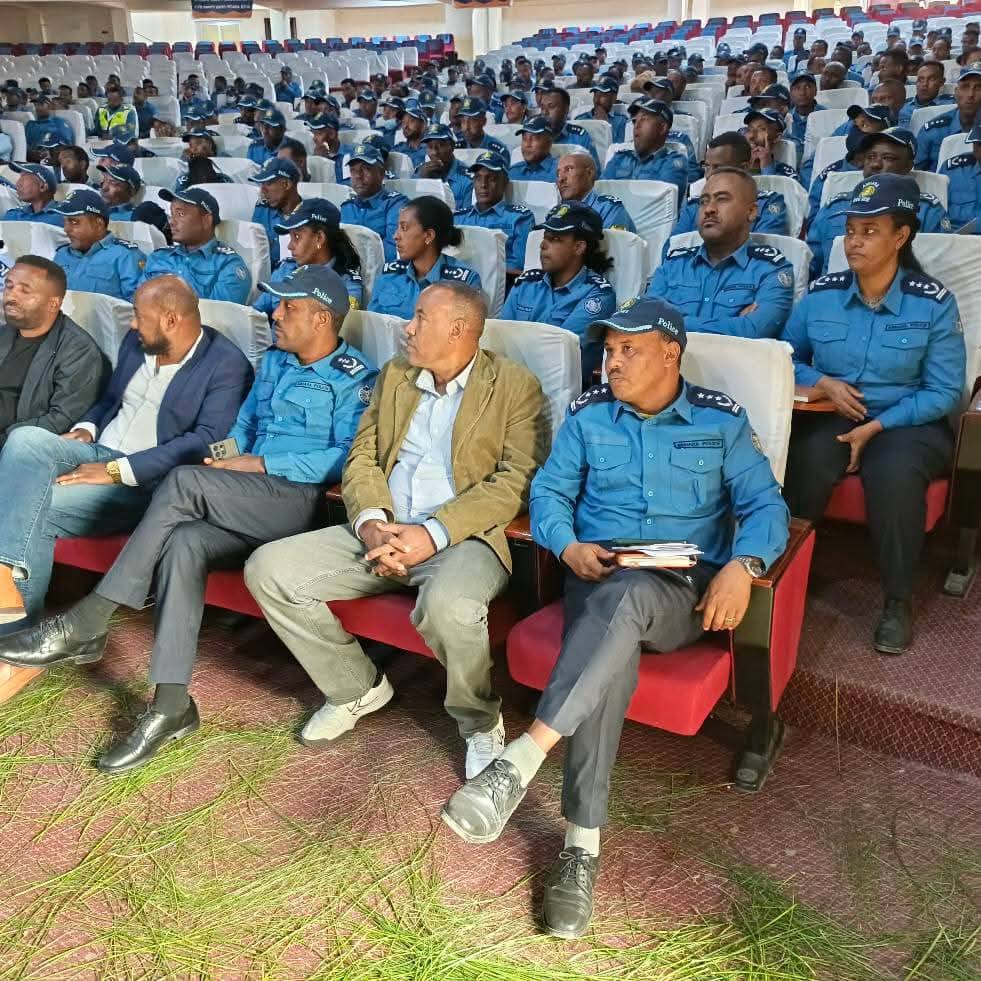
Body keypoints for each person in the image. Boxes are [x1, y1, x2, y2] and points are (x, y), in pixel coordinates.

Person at [440, 296, 790, 939]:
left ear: (671, 354)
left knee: (625, 606)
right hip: (597, 577)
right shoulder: (589, 414)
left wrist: (744, 566)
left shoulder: (720, 420)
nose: (613, 362)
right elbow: (550, 492)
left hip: (681, 591)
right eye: (608, 349)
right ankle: (580, 846)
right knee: (612, 635)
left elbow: (766, 505)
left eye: (630, 349)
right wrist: (567, 545)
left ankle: (522, 762)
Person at [2, 267, 376, 771]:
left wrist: (260, 464)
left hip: (297, 502)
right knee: (183, 543)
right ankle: (171, 705)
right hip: (241, 493)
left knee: (181, 481)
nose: (275, 314)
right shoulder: (274, 361)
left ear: (322, 318)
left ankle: (88, 620)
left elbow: (347, 458)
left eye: (288, 306)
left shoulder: (356, 378)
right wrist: (223, 461)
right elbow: (242, 428)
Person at [245, 281, 548, 778]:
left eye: (421, 317)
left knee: (449, 606)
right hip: (383, 527)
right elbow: (362, 456)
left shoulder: (514, 385)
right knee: (268, 569)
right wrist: (372, 524)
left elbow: (517, 481)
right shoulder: (396, 375)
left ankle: (478, 721)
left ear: (458, 330)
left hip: (462, 539)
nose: (407, 327)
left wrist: (432, 533)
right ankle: (355, 688)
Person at [0, 276, 252, 629]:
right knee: (25, 439)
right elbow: (109, 399)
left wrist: (116, 470)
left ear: (171, 320)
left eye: (139, 317)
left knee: (31, 502)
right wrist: (87, 427)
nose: (132, 325)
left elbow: (205, 441)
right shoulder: (138, 342)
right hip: (96, 451)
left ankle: (12, 623)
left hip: (144, 482)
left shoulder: (226, 364)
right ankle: (7, 592)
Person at [782, 174, 966, 654]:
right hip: (834, 411)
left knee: (894, 471)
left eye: (869, 231)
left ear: (901, 236)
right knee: (807, 456)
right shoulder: (822, 294)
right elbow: (785, 356)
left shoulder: (932, 304)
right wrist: (822, 382)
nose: (853, 242)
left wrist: (879, 426)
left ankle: (897, 600)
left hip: (909, 421)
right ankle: (786, 574)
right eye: (850, 231)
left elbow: (944, 391)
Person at [647, 169, 794, 339]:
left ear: (751, 211)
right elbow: (646, 320)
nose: (709, 209)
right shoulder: (673, 265)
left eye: (722, 199)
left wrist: (671, 323)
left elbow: (753, 331)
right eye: (703, 201)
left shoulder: (771, 270)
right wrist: (735, 324)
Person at [807, 129, 952, 276]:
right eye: (870, 157)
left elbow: (939, 270)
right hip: (835, 288)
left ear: (908, 165)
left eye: (888, 158)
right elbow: (812, 268)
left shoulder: (929, 211)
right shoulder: (834, 207)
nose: (875, 164)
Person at [0, 256, 106, 454]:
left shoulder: (78, 351)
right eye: (9, 286)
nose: (10, 296)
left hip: (17, 445)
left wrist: (5, 440)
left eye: (25, 290)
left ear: (53, 303)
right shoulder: (5, 332)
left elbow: (61, 418)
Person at [502, 203, 616, 384]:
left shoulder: (597, 295)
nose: (542, 245)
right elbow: (500, 340)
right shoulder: (526, 284)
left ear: (579, 247)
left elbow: (561, 357)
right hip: (509, 380)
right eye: (544, 238)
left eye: (554, 239)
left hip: (558, 388)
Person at [369, 196, 481, 319]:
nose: (395, 236)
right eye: (397, 228)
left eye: (404, 228)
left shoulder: (463, 283)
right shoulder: (390, 273)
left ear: (428, 236)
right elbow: (372, 323)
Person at [253, 198, 363, 319]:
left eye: (297, 236)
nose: (289, 246)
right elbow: (255, 315)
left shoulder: (346, 285)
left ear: (319, 238)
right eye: (290, 237)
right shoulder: (284, 270)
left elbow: (336, 327)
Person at [142, 188, 251, 305]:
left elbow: (219, 314)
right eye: (171, 215)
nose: (171, 222)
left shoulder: (228, 265)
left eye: (180, 214)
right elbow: (138, 302)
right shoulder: (158, 257)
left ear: (206, 221)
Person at [672, 134, 788, 237]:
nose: (708, 175)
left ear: (744, 168)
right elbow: (673, 247)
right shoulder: (695, 205)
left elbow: (764, 248)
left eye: (718, 167)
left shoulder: (767, 204)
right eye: (707, 166)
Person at [454, 150, 534, 281]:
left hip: (502, 284)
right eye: (478, 178)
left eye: (491, 178)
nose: (483, 185)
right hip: (459, 281)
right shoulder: (458, 218)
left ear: (505, 182)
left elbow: (518, 266)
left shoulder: (519, 218)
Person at [52, 190, 145, 302]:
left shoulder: (126, 256)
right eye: (65, 222)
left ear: (99, 224)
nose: (66, 229)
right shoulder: (61, 254)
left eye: (74, 222)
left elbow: (139, 305)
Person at [602, 98, 688, 201]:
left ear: (662, 128)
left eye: (644, 119)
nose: (636, 126)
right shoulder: (619, 158)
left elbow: (658, 204)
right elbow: (599, 196)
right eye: (634, 121)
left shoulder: (673, 163)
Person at [339, 143, 409, 263]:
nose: (358, 176)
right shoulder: (347, 207)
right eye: (353, 170)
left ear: (381, 174)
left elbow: (394, 249)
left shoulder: (396, 204)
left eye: (366, 169)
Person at [915, 67, 981, 171]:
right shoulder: (933, 130)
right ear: (956, 93)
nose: (970, 94)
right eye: (965, 87)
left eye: (979, 88)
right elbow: (918, 173)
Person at [555, 153, 635, 233]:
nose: (560, 179)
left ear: (589, 174)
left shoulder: (609, 208)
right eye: (558, 174)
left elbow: (613, 241)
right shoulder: (557, 208)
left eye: (569, 169)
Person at [249, 157, 303, 268]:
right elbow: (254, 254)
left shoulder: (309, 216)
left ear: (286, 184)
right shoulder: (262, 211)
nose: (262, 190)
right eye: (261, 184)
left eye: (268, 183)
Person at [536, 83, 599, 167]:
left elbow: (593, 170)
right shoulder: (534, 136)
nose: (544, 112)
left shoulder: (580, 137)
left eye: (551, 107)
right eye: (542, 108)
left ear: (566, 109)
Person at [416, 125, 473, 208]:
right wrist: (423, 181)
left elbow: (468, 214)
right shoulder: (420, 172)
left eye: (440, 145)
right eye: (430, 147)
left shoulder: (467, 178)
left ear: (452, 146)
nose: (435, 152)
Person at [938, 120, 980, 228]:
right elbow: (937, 214)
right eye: (979, 144)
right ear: (974, 146)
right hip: (957, 235)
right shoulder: (950, 170)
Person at [743, 108, 798, 179]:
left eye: (762, 129)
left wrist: (766, 166)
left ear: (777, 137)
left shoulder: (786, 173)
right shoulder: (735, 164)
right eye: (749, 129)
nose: (751, 136)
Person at [899, 62, 954, 128]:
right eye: (921, 79)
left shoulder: (952, 104)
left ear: (941, 82)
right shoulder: (904, 107)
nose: (925, 84)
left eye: (931, 79)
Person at [575, 76, 627, 143]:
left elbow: (618, 147)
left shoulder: (621, 121)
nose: (597, 100)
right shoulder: (580, 119)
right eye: (596, 95)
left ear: (614, 98)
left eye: (602, 95)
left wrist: (605, 125)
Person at [509, 116, 559, 183]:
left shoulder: (560, 172)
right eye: (524, 139)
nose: (527, 144)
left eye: (534, 138)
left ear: (549, 142)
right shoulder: (513, 173)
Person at [25, 95, 74, 160]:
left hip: (52, 158)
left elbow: (66, 145)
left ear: (49, 106)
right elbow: (25, 144)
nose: (37, 108)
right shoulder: (30, 124)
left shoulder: (59, 122)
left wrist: (50, 153)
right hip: (30, 158)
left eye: (41, 105)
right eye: (35, 105)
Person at [391, 100, 429, 168]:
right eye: (403, 122)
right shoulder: (397, 150)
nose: (405, 126)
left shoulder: (432, 150)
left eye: (411, 121)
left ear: (423, 125)